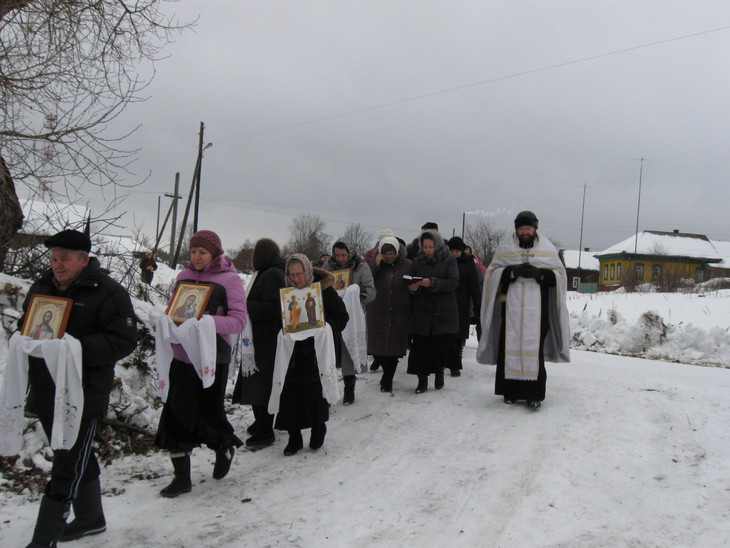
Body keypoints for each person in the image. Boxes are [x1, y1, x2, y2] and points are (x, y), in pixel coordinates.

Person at [19, 229, 137, 546]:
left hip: (84, 393)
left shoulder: (109, 292)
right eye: (54, 258)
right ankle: (91, 518)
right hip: (47, 389)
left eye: (65, 258)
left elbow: (125, 340)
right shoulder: (42, 287)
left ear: (84, 259)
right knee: (72, 455)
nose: (58, 264)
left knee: (66, 466)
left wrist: (74, 348)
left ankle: (44, 539)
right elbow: (26, 324)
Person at [155, 230, 248, 496]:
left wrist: (206, 323)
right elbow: (173, 309)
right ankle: (182, 478)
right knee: (175, 411)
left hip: (212, 356)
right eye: (193, 251)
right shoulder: (184, 277)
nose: (196, 257)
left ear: (214, 254)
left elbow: (239, 320)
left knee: (209, 412)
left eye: (202, 252)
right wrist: (167, 321)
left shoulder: (229, 280)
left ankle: (223, 447)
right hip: (183, 354)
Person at [476, 211, 570, 409]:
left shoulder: (547, 248)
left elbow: (560, 277)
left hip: (538, 312)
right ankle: (509, 392)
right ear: (516, 230)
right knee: (508, 348)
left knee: (533, 351)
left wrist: (541, 274)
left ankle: (533, 394)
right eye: (521, 229)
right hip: (510, 311)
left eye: (528, 228)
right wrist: (510, 272)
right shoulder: (505, 248)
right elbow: (492, 275)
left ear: (535, 229)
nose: (525, 232)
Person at [272, 254, 348, 455]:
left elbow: (342, 316)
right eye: (292, 274)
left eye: (299, 274)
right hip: (293, 355)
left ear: (308, 272)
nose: (296, 279)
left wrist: (325, 329)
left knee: (314, 393)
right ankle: (294, 437)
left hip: (316, 353)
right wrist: (283, 331)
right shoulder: (286, 294)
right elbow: (280, 318)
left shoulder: (324, 291)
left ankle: (318, 428)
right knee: (290, 394)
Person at [232, 238, 286, 451]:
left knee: (261, 384)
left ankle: (266, 430)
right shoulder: (271, 272)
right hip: (262, 338)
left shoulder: (272, 274)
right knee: (259, 382)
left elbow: (275, 309)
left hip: (265, 340)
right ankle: (261, 423)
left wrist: (246, 306)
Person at [322, 241, 376, 405]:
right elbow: (319, 286)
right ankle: (326, 390)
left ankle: (349, 388)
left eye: (343, 255)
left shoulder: (360, 266)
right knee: (329, 351)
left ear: (349, 253)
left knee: (347, 352)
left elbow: (371, 290)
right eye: (337, 255)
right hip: (332, 314)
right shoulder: (327, 267)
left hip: (352, 315)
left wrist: (356, 295)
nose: (340, 259)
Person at [406, 230, 459, 393]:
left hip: (442, 311)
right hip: (422, 311)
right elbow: (410, 280)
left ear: (437, 246)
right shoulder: (417, 262)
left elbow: (453, 282)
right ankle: (422, 381)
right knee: (421, 348)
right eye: (425, 247)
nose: (428, 250)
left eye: (430, 246)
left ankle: (439, 372)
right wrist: (413, 287)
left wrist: (433, 283)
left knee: (440, 346)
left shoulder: (448, 260)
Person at [367, 236, 412, 392]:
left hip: (399, 311)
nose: (388, 256)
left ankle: (387, 379)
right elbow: (367, 282)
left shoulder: (408, 265)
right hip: (378, 312)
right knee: (379, 349)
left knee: (393, 350)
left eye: (391, 253)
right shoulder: (375, 265)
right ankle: (386, 374)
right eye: (385, 253)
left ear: (396, 252)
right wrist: (376, 265)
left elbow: (413, 285)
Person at [447, 236, 481, 376]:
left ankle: (455, 363)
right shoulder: (445, 262)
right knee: (446, 334)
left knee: (459, 335)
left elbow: (474, 285)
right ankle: (445, 360)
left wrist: (477, 305)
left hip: (462, 302)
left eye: (457, 251)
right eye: (452, 250)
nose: (454, 253)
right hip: (446, 302)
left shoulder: (468, 263)